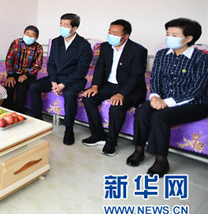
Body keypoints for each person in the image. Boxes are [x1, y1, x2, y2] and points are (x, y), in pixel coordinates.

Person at [126, 18, 208, 177]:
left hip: (194, 103)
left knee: (160, 116)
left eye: (174, 35)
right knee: (142, 111)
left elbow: (196, 89)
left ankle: (161, 160)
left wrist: (166, 102)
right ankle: (139, 150)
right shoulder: (162, 54)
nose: (169, 37)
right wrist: (155, 97)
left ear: (189, 38)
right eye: (168, 34)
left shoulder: (201, 58)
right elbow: (155, 78)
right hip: (162, 98)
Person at [81, 19, 148, 156]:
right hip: (110, 85)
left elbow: (136, 77)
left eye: (115, 33)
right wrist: (95, 86)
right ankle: (98, 135)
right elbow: (100, 68)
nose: (111, 35)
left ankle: (111, 140)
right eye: (110, 32)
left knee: (116, 106)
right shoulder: (105, 47)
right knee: (88, 98)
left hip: (131, 89)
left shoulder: (138, 51)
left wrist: (121, 94)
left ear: (126, 36)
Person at [28, 13, 93, 145]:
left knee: (69, 93)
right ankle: (38, 119)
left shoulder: (84, 45)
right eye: (61, 24)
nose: (62, 27)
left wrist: (63, 84)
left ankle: (69, 129)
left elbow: (81, 70)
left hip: (74, 79)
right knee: (34, 86)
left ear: (74, 28)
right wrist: (53, 81)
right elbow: (51, 63)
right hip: (56, 77)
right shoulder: (56, 42)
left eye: (66, 25)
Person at [4, 25, 44, 113]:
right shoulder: (16, 42)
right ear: (24, 33)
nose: (29, 36)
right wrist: (10, 75)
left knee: (21, 88)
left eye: (32, 35)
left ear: (36, 37)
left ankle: (18, 113)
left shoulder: (38, 48)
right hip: (14, 72)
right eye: (27, 33)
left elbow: (37, 66)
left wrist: (26, 75)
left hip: (29, 74)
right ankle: (7, 111)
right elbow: (9, 59)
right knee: (9, 85)